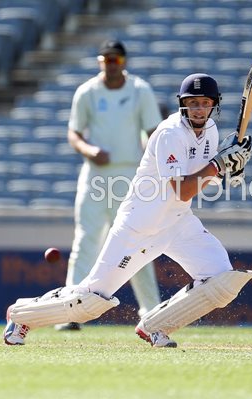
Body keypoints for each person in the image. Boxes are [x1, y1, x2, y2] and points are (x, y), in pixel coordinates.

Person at [3, 73, 252, 347]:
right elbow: (182, 188)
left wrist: (229, 171)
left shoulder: (211, 132)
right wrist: (219, 165)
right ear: (182, 104)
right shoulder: (169, 133)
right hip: (139, 226)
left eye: (204, 102)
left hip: (177, 222)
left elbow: (200, 177)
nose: (198, 109)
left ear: (214, 104)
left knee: (222, 280)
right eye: (192, 102)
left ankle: (155, 327)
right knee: (89, 301)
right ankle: (21, 315)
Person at [57, 40, 163, 331]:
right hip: (94, 175)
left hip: (129, 175)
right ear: (99, 62)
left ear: (124, 62)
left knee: (136, 242)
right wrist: (90, 151)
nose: (110, 65)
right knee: (86, 240)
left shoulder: (140, 90)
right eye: (105, 60)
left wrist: (155, 167)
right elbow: (74, 133)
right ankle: (70, 312)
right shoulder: (87, 92)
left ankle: (151, 313)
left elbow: (154, 132)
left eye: (115, 60)